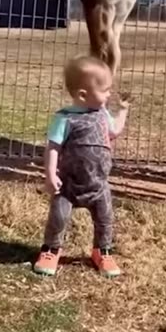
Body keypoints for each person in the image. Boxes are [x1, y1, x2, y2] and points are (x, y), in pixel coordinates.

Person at [32, 54, 129, 278]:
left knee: (105, 219)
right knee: (58, 218)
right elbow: (53, 147)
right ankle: (51, 250)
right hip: (68, 185)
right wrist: (49, 175)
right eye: (105, 90)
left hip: (98, 185)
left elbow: (114, 132)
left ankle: (102, 251)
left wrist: (122, 111)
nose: (109, 94)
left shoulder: (103, 114)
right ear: (83, 95)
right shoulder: (65, 119)